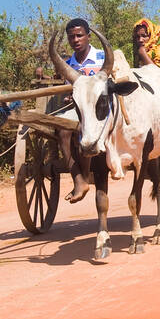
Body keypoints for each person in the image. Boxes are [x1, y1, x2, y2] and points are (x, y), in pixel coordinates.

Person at [58, 18, 105, 202]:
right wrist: (70, 96)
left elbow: (111, 85)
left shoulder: (102, 57)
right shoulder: (68, 64)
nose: (76, 40)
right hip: (76, 108)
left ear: (88, 36)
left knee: (83, 128)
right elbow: (68, 88)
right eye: (71, 37)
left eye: (79, 35)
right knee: (62, 130)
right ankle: (78, 178)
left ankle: (85, 175)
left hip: (100, 110)